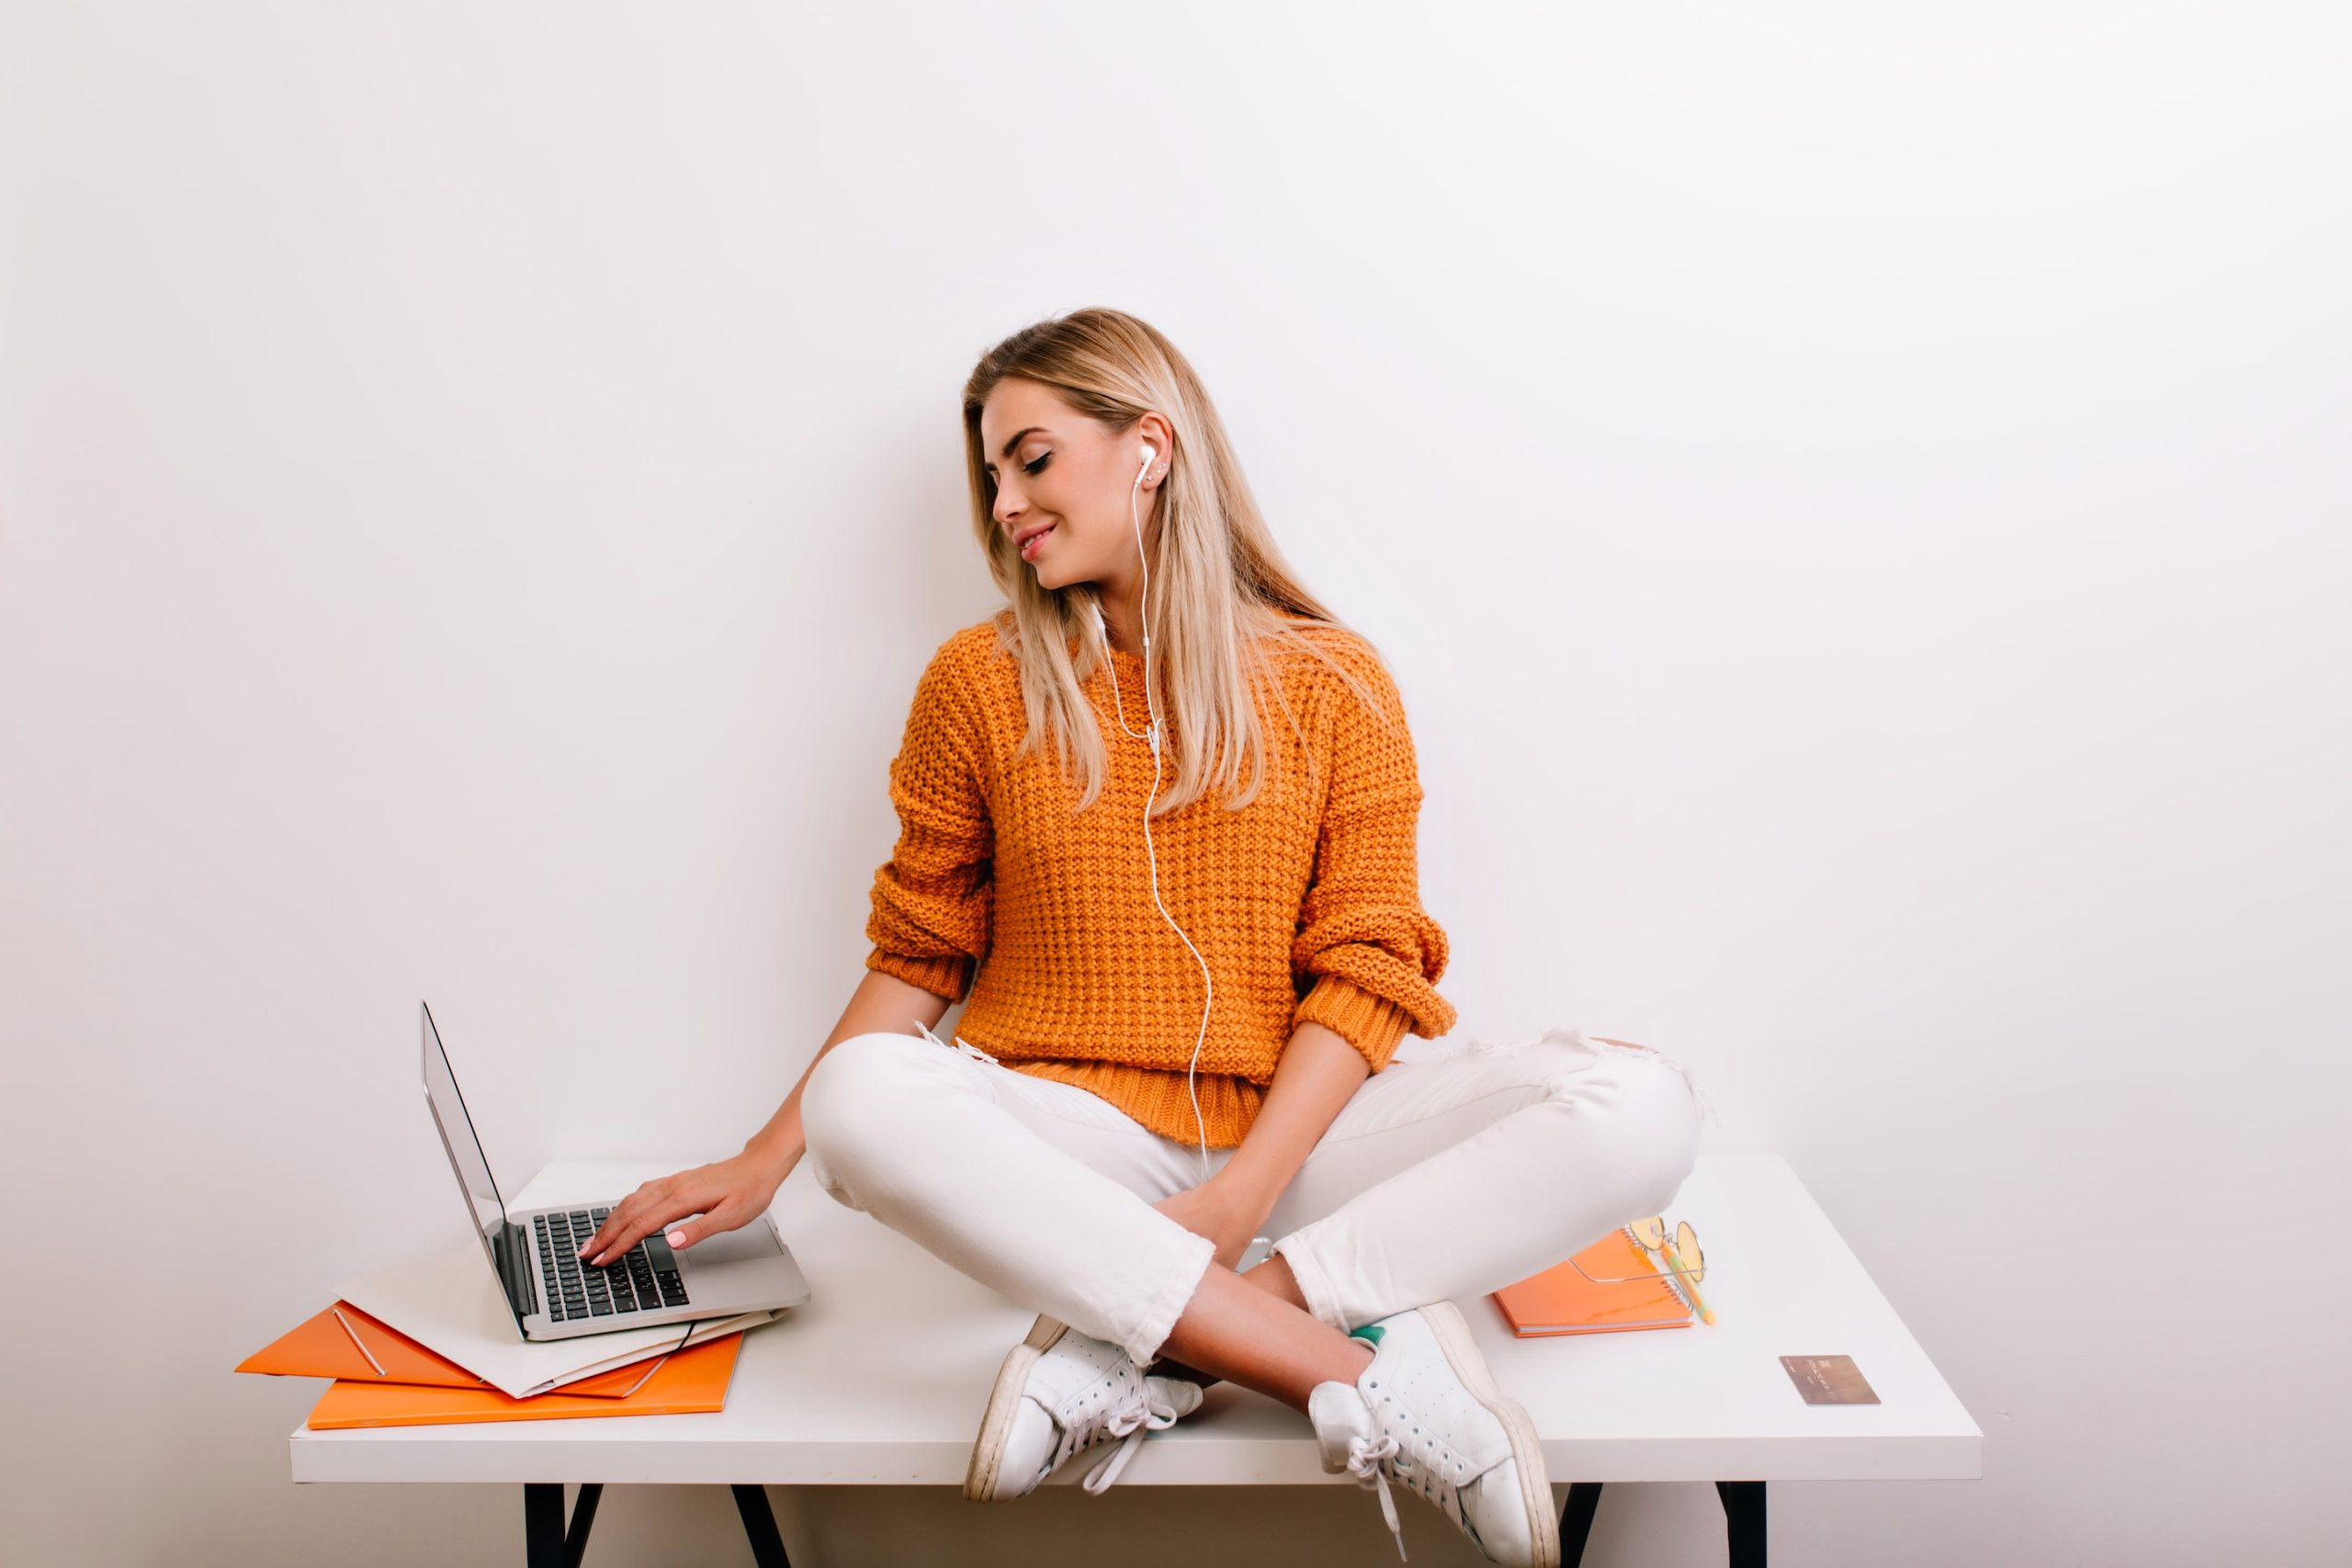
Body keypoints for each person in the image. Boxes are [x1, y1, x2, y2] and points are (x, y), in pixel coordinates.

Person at [577, 307, 1704, 1567]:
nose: (1003, 501)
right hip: (1075, 1143)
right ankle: (1342, 1364)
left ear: (1149, 447)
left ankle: (1172, 1334)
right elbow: (920, 951)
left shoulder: (1336, 684)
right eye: (991, 473)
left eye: (1033, 457)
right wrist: (762, 1158)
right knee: (859, 1097)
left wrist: (1238, 1201)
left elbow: (1367, 970)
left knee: (1642, 1105)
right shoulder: (977, 680)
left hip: (1305, 1135)